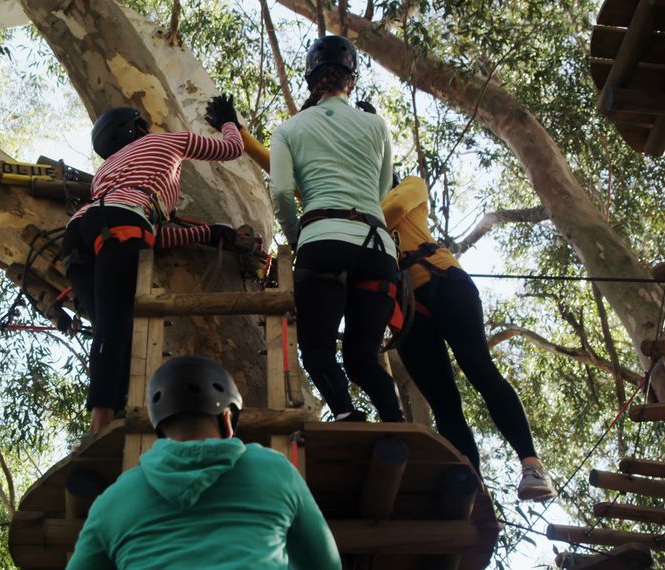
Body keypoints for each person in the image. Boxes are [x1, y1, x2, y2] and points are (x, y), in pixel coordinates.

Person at [61, 103, 244, 434]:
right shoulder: (168, 142)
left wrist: (206, 232)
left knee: (111, 326)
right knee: (116, 323)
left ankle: (113, 412)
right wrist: (229, 122)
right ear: (137, 128)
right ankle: (101, 425)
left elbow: (146, 236)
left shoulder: (105, 172)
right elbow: (232, 149)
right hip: (123, 224)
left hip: (78, 233)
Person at [67, 356, 341, 569]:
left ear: (160, 429)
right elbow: (327, 565)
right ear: (226, 419)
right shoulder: (275, 469)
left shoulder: (114, 499)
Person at [382, 175, 557, 501]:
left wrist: (351, 222)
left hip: (444, 279)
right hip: (404, 305)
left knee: (478, 366)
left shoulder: (410, 185)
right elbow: (298, 180)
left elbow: (394, 208)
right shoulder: (353, 205)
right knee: (443, 402)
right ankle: (472, 488)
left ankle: (532, 466)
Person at [267, 35, 405, 423]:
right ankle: (395, 422)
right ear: (352, 79)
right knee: (362, 357)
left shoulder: (289, 129)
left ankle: (345, 412)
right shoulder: (376, 125)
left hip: (322, 242)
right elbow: (380, 192)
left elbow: (279, 190)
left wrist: (298, 238)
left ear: (310, 80)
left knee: (317, 348)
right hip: (377, 247)